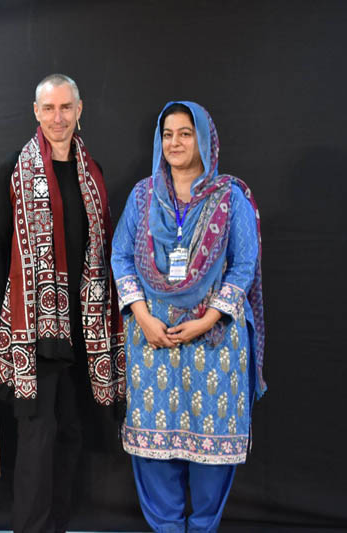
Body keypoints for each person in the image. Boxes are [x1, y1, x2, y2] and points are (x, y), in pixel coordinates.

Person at [111, 101, 266, 533]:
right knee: (154, 448)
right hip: (152, 337)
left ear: (204, 139)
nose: (175, 143)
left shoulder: (229, 197)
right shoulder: (143, 197)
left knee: (212, 451)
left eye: (185, 133)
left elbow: (244, 265)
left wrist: (208, 319)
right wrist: (142, 316)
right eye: (167, 134)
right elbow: (121, 256)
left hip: (215, 341)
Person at [0, 73, 125, 533]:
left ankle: (57, 526)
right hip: (35, 326)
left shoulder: (92, 172)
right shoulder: (15, 169)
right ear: (36, 112)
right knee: (37, 436)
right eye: (49, 108)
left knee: (70, 433)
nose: (58, 117)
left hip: (85, 327)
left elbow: (103, 244)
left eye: (66, 107)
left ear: (79, 110)